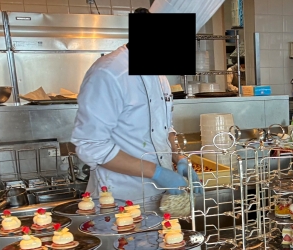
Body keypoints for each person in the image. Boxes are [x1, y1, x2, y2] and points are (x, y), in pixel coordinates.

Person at [72, 1, 222, 205]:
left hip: (160, 199)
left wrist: (179, 157)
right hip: (119, 200)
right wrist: (157, 172)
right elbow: (90, 145)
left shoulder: (160, 76)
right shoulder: (108, 73)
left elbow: (165, 127)